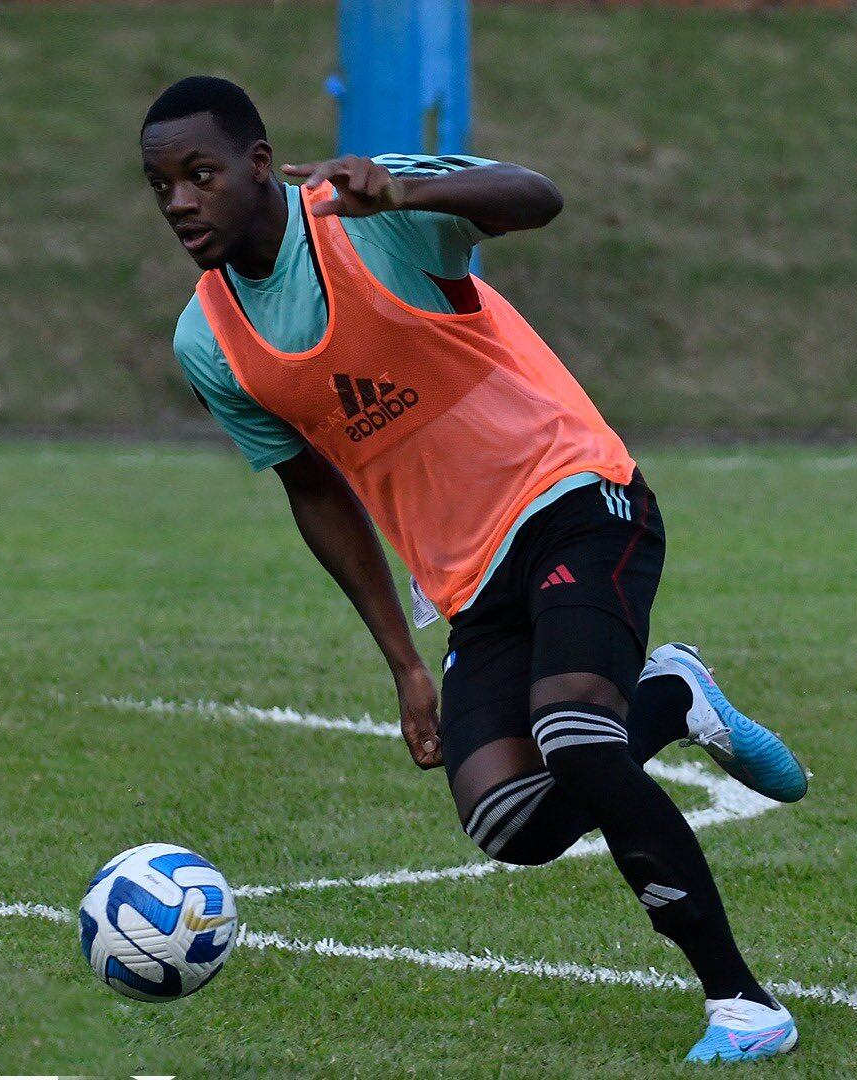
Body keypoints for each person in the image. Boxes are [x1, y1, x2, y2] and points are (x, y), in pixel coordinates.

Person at [141, 76, 808, 1063]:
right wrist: (406, 666)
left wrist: (408, 196)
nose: (181, 203)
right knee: (509, 817)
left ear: (259, 162)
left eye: (200, 174)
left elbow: (535, 197)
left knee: (575, 733)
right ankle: (670, 698)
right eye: (161, 186)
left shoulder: (367, 213)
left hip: (576, 495)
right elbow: (316, 494)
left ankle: (743, 1001)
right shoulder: (212, 343)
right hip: (469, 576)